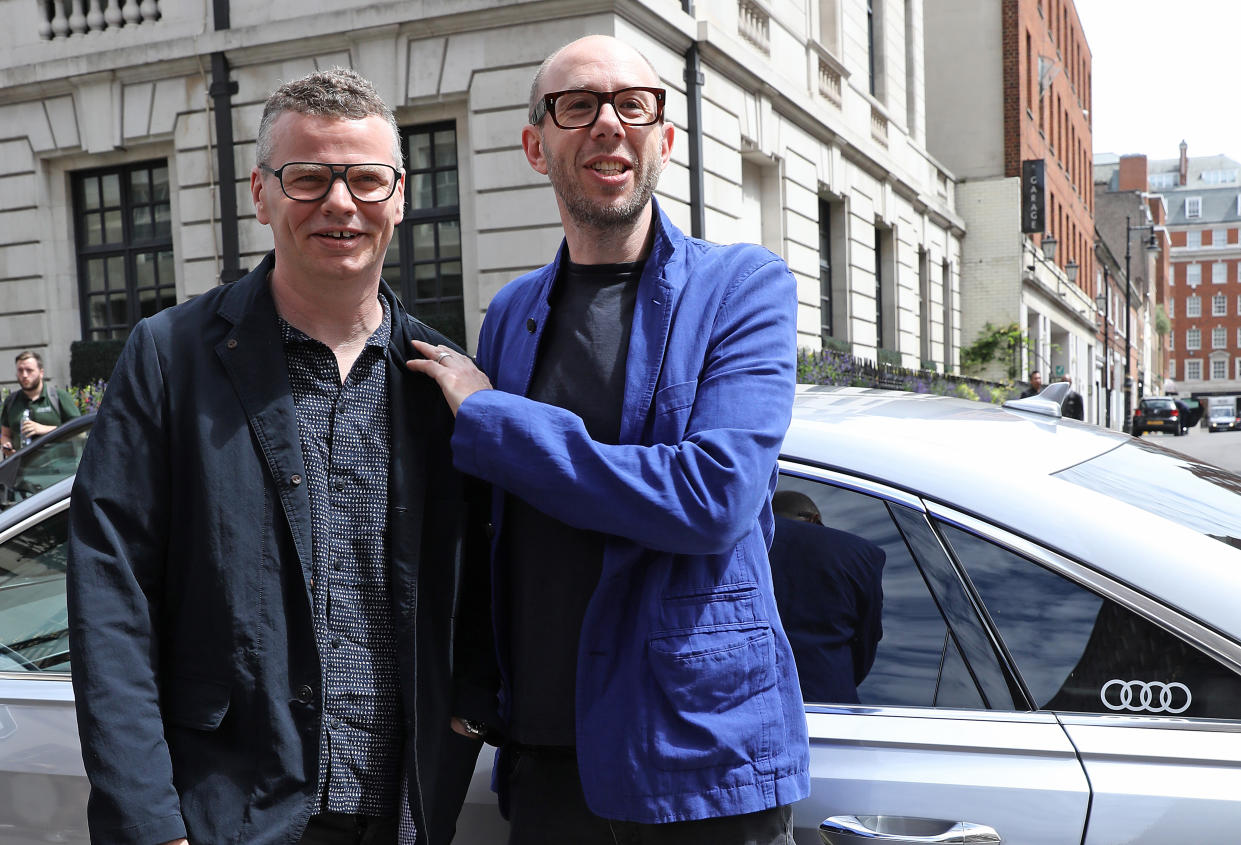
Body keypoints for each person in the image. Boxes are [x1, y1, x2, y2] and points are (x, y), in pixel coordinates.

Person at [408, 34, 809, 845]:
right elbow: (499, 522)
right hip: (546, 760)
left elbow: (712, 498)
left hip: (697, 764)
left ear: (663, 138)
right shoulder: (512, 311)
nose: (607, 124)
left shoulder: (742, 287)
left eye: (633, 104)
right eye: (577, 105)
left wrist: (495, 419)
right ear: (534, 144)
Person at [67, 68, 483, 845]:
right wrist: (152, 825)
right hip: (224, 814)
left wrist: (469, 714)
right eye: (308, 178)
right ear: (260, 194)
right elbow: (110, 596)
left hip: (404, 810)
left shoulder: (449, 382)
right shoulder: (170, 357)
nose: (339, 203)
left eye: (364, 179)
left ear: (398, 195)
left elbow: (488, 585)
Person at [768, 490, 884, 704]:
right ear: (815, 519)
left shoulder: (740, 545)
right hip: (829, 708)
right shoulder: (858, 556)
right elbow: (866, 641)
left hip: (746, 706)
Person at [0, 350, 81, 456]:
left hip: (59, 469)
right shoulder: (11, 401)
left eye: (29, 370)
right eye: (20, 370)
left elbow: (80, 432)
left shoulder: (58, 397)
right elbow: (5, 434)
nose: (24, 375)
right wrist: (7, 445)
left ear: (41, 373)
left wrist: (45, 429)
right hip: (22, 469)